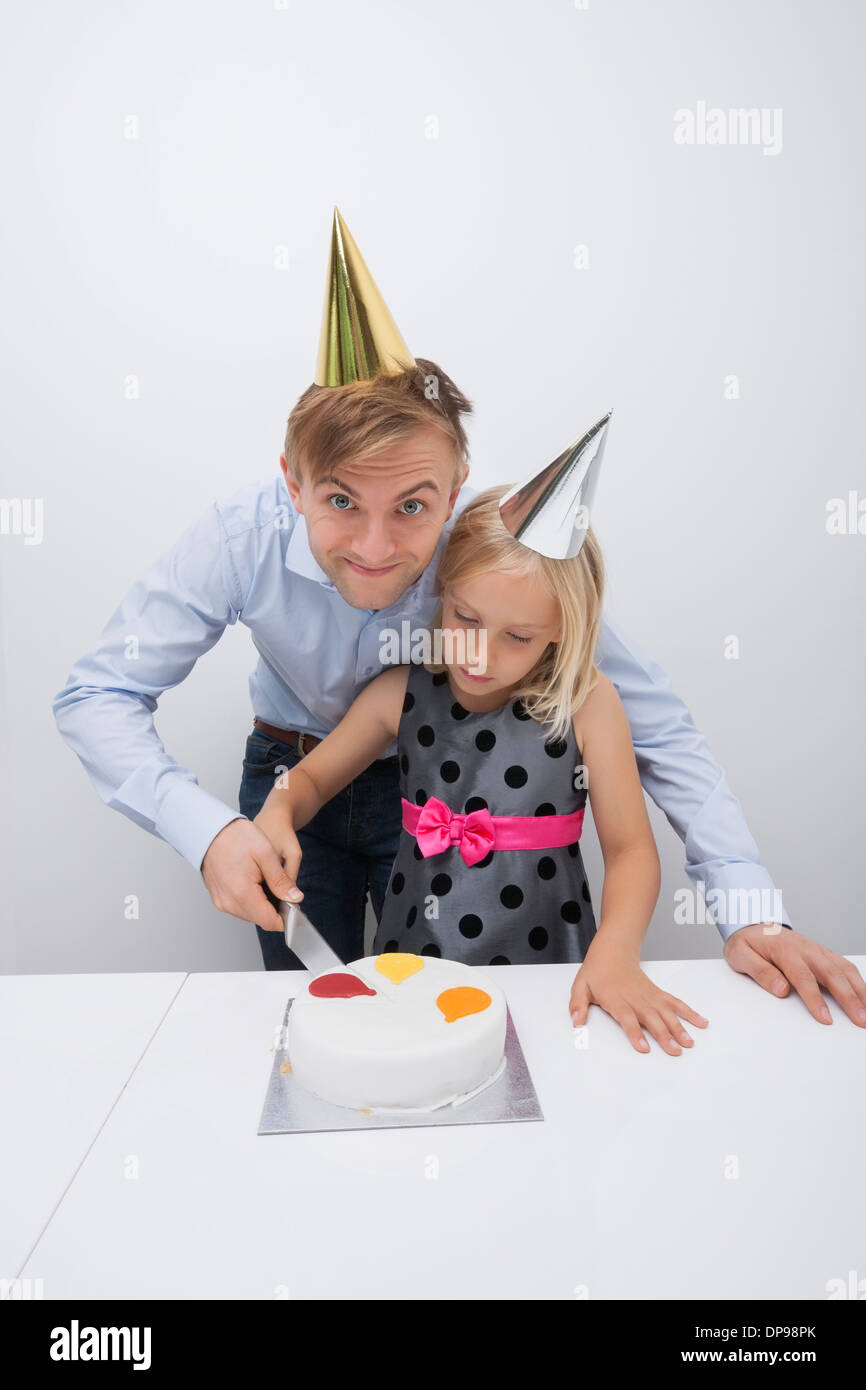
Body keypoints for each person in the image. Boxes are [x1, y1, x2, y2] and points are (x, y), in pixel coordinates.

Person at [52, 209, 866, 1036]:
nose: (376, 548)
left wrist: (751, 908)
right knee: (325, 1027)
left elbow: (659, 730)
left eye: (412, 505)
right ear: (292, 484)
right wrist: (211, 831)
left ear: (456, 483)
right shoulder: (238, 539)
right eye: (339, 500)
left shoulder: (499, 560)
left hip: (452, 795)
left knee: (458, 1030)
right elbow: (97, 695)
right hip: (293, 781)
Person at [252, 474, 717, 1056]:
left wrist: (617, 955)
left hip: (551, 965)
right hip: (417, 967)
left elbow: (631, 851)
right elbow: (314, 777)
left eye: (518, 636)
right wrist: (279, 805)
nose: (481, 654)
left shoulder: (588, 705)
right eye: (466, 618)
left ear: (559, 631)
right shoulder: (399, 693)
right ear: (440, 590)